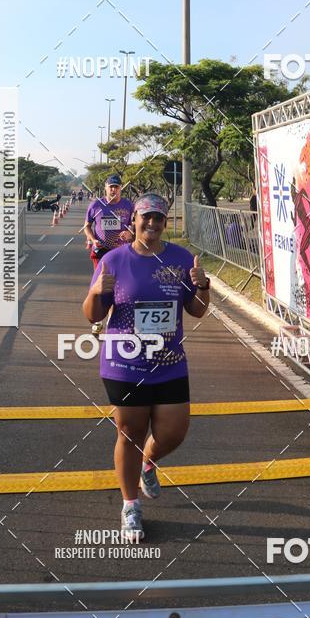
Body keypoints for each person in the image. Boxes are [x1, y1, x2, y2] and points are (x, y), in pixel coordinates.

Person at [82, 192, 210, 537]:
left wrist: (203, 287)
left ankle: (148, 462)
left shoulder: (181, 259)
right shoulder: (114, 260)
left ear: (165, 223)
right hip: (125, 364)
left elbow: (196, 310)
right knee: (129, 433)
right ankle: (130, 506)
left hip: (169, 363)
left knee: (173, 432)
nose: (152, 224)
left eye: (159, 219)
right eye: (146, 218)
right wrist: (97, 292)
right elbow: (93, 315)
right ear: (133, 221)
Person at [84, 175, 135, 334]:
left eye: (117, 187)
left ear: (121, 188)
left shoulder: (128, 206)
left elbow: (135, 225)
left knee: (119, 286)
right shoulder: (96, 205)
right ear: (105, 188)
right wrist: (92, 239)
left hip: (121, 252)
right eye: (111, 186)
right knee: (101, 284)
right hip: (101, 252)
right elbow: (87, 226)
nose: (113, 189)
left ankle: (112, 322)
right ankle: (97, 320)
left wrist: (130, 233)